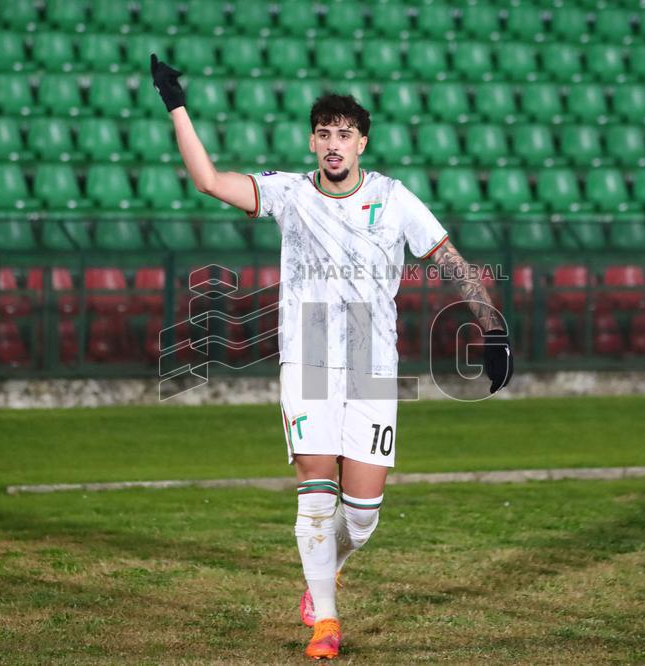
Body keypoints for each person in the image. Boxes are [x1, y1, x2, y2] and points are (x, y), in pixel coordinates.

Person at [150, 55, 513, 659]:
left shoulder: (394, 198)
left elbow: (451, 261)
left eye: (345, 133)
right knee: (318, 496)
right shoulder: (289, 193)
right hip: (310, 353)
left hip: (373, 357)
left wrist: (491, 327)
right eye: (324, 133)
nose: (333, 144)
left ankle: (322, 575)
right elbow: (211, 182)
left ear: (362, 142)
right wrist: (177, 107)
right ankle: (326, 621)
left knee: (364, 514)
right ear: (312, 141)